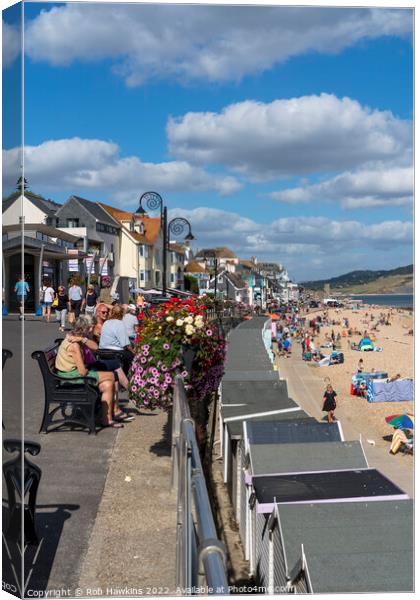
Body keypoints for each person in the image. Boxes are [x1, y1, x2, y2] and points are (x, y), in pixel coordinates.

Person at [55, 318, 125, 428]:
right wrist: (89, 369)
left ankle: (107, 419)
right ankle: (112, 413)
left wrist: (83, 339)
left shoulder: (77, 338)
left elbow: (96, 347)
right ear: (85, 328)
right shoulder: (74, 345)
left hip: (73, 374)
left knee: (107, 384)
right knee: (111, 376)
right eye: (90, 327)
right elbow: (83, 372)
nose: (92, 328)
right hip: (70, 377)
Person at [99, 304, 134, 374]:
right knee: (131, 356)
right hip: (115, 353)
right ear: (122, 314)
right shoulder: (120, 323)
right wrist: (134, 352)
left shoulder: (106, 322)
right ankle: (128, 375)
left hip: (102, 351)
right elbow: (126, 344)